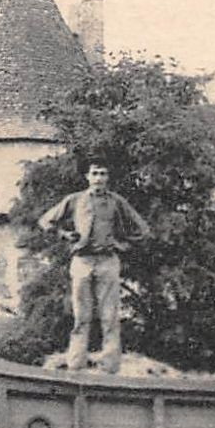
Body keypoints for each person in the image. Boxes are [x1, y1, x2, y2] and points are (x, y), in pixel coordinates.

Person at [36, 160, 151, 374]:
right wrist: (65, 235)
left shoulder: (116, 202)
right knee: (81, 316)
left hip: (108, 262)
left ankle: (110, 367)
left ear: (108, 178)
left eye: (103, 173)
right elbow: (45, 221)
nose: (99, 178)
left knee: (109, 317)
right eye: (95, 173)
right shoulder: (75, 200)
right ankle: (76, 365)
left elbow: (142, 229)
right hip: (82, 261)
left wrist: (122, 244)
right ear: (87, 177)